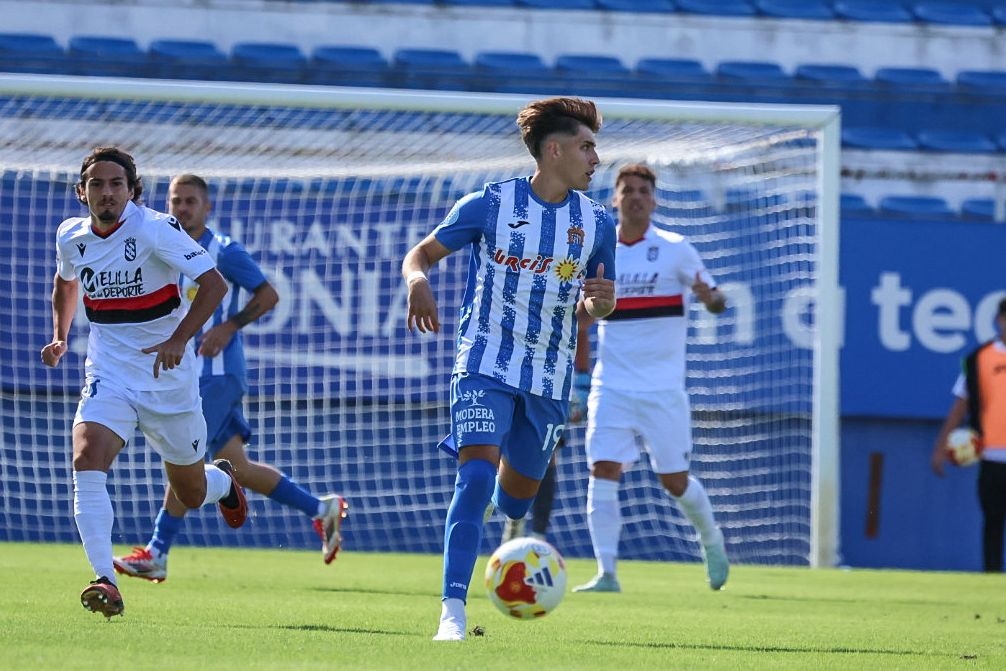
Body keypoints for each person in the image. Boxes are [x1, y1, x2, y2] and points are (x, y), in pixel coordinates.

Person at [403, 97, 617, 641]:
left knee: (514, 497)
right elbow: (419, 255)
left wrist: (600, 303)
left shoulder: (596, 222)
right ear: (555, 150)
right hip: (484, 360)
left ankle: (509, 524)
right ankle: (452, 612)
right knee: (474, 475)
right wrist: (417, 284)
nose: (597, 159)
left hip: (548, 376)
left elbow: (598, 306)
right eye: (588, 147)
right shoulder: (488, 204)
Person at [40, 147, 248, 619]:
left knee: (191, 492)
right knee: (86, 456)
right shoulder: (70, 236)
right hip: (109, 374)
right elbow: (65, 283)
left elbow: (214, 285)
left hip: (167, 379)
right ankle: (104, 580)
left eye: (116, 184)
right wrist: (59, 335)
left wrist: (179, 338)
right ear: (82, 192)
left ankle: (222, 483)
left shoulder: (156, 228)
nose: (106, 192)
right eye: (97, 184)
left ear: (132, 192)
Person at [113, 174, 349, 583]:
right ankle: (321, 508)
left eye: (190, 201)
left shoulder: (222, 250)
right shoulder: (162, 245)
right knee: (237, 467)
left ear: (207, 208)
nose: (182, 208)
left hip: (217, 375)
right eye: (175, 200)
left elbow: (268, 294)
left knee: (184, 459)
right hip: (188, 374)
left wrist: (230, 327)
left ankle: (157, 551)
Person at [571, 163, 730, 594]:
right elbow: (582, 322)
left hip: (662, 389)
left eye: (644, 190)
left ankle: (710, 539)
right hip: (613, 385)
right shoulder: (600, 253)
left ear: (654, 200)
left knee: (674, 481)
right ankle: (606, 573)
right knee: (602, 469)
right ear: (615, 199)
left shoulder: (676, 248)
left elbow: (716, 300)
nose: (637, 196)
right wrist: (581, 383)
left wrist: (710, 297)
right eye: (628, 190)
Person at [931, 297, 1006, 572]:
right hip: (991, 455)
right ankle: (992, 577)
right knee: (993, 519)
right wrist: (941, 447)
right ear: (999, 320)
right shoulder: (979, 359)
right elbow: (960, 404)